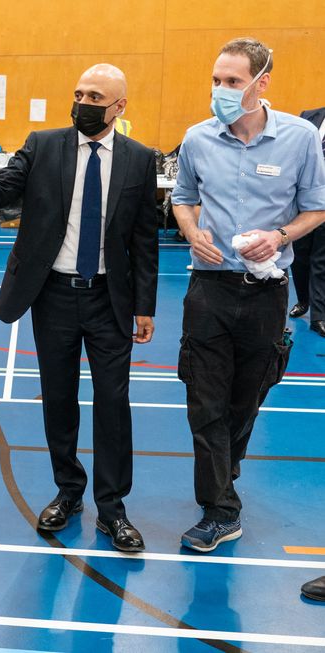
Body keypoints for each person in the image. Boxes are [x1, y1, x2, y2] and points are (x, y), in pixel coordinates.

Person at [0, 63, 159, 552]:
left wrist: (146, 305)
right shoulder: (43, 144)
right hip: (53, 295)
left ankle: (113, 509)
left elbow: (145, 239)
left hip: (110, 298)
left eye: (95, 96)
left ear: (119, 106)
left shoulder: (141, 160)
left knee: (112, 402)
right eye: (79, 93)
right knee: (58, 399)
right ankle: (68, 492)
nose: (83, 102)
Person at [171, 38, 325, 553]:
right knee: (204, 399)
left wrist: (280, 237)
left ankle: (224, 469)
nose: (221, 90)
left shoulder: (302, 139)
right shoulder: (196, 139)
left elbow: (316, 210)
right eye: (216, 80)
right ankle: (220, 509)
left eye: (233, 82)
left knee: (246, 397)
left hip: (265, 292)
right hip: (208, 287)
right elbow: (183, 199)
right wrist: (192, 233)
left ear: (262, 83)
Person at [290, 106, 325, 337]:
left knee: (321, 260)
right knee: (299, 256)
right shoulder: (308, 116)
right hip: (303, 202)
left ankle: (319, 316)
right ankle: (303, 300)